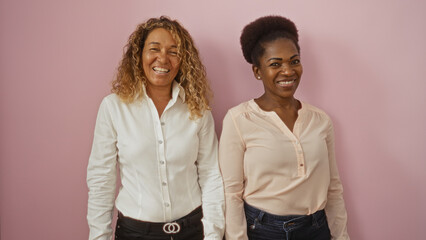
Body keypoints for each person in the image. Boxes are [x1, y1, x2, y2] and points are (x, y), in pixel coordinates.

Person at [87, 16, 225, 240]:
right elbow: (101, 178)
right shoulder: (113, 108)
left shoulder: (198, 109)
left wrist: (213, 235)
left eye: (173, 51)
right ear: (139, 55)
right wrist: (99, 236)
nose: (163, 58)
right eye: (154, 49)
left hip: (192, 231)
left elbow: (211, 176)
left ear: (183, 59)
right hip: (135, 233)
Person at [219, 16, 350, 240]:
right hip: (264, 231)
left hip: (316, 229)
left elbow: (333, 189)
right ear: (257, 71)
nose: (288, 71)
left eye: (294, 61)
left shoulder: (320, 120)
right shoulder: (239, 119)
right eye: (275, 64)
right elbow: (231, 194)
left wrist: (341, 237)